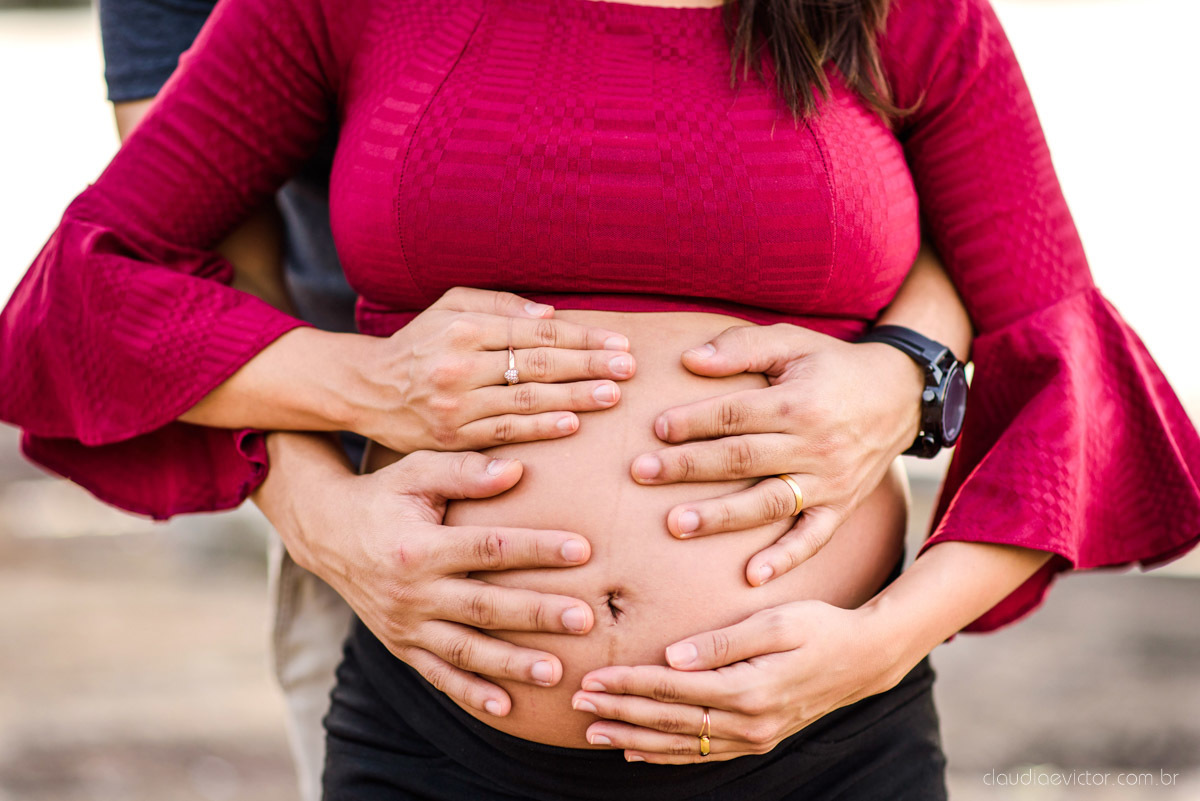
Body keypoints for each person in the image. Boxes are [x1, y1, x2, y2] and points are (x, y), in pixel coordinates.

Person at [2, 0, 1197, 797]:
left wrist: (874, 650)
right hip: (436, 724)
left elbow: (1067, 362)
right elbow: (98, 279)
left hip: (825, 737)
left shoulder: (897, 12)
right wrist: (357, 394)